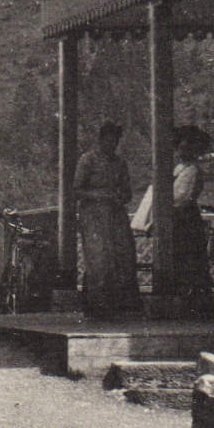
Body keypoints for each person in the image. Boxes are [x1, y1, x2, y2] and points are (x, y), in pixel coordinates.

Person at [74, 121, 140, 318]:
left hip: (115, 215)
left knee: (122, 255)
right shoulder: (88, 160)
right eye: (108, 140)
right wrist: (99, 196)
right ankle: (96, 305)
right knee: (99, 258)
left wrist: (120, 196)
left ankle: (119, 304)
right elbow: (77, 190)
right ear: (101, 140)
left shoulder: (120, 163)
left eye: (115, 141)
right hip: (93, 215)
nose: (112, 145)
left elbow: (127, 192)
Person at [171, 125, 214, 314]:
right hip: (177, 218)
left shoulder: (192, 171)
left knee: (190, 259)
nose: (182, 151)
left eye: (187, 147)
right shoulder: (179, 169)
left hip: (186, 218)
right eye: (180, 146)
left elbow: (181, 198)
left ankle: (195, 302)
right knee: (179, 259)